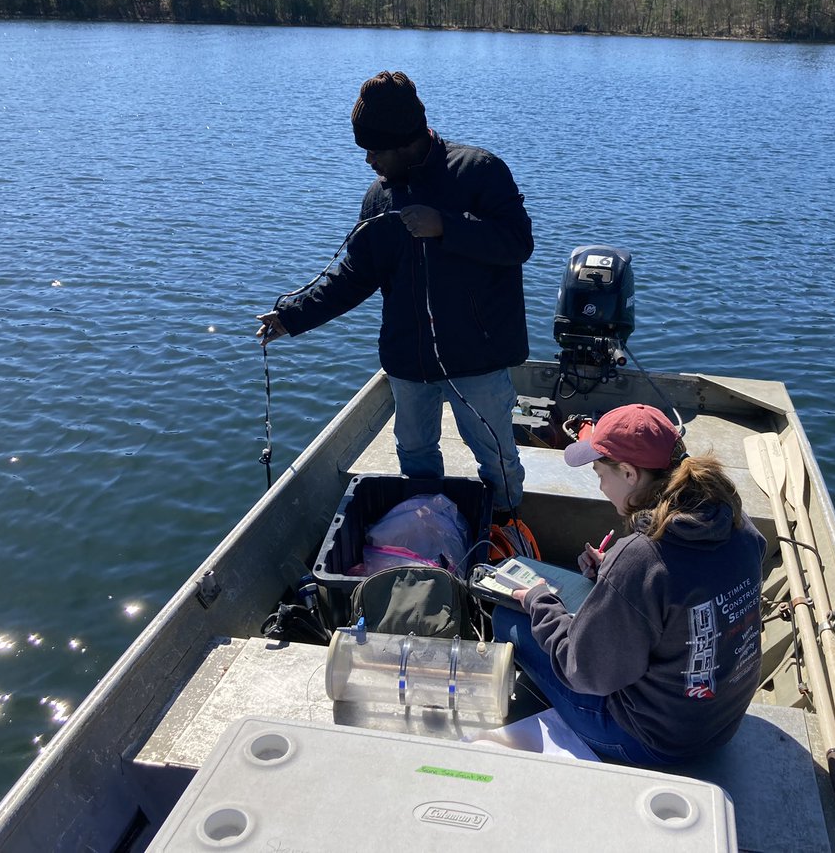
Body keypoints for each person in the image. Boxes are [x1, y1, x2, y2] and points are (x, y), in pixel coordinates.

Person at [256, 71, 534, 519]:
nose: (368, 161)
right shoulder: (378, 199)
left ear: (406, 141)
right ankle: (429, 527)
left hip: (478, 359)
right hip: (409, 362)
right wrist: (291, 317)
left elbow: (518, 243)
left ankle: (505, 523)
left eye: (375, 150)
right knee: (416, 455)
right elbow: (353, 276)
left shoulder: (479, 171)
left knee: (497, 456)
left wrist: (446, 226)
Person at [491, 404, 766, 765]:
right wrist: (613, 575)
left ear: (628, 473)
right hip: (721, 722)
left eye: (600, 474)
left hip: (649, 741)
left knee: (507, 620)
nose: (602, 487)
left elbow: (585, 673)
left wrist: (540, 601)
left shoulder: (641, 557)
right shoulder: (737, 522)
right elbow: (689, 585)